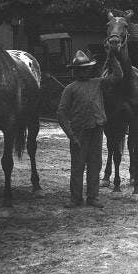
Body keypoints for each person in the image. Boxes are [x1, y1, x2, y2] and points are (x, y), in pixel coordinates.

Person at [56, 49, 122, 209]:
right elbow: (61, 113)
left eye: (87, 68)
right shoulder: (70, 89)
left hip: (96, 130)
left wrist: (112, 56)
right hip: (78, 133)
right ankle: (75, 198)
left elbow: (118, 76)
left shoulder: (98, 83)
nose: (84, 71)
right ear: (76, 71)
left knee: (95, 164)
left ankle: (93, 197)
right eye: (81, 69)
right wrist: (70, 134)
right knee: (78, 166)